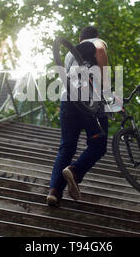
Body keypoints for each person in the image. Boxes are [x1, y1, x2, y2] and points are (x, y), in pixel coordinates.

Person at [46, 26, 109, 207]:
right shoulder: (96, 42)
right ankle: (75, 171)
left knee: (66, 147)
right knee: (98, 145)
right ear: (95, 36)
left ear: (79, 39)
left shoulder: (69, 55)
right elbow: (99, 50)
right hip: (90, 102)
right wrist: (107, 89)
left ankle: (54, 192)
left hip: (68, 101)